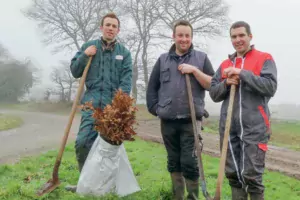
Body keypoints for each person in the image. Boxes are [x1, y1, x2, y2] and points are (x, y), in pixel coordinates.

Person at [146, 20, 215, 200]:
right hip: (168, 121)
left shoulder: (201, 58)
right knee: (173, 161)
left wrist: (194, 71)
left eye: (187, 36)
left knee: (190, 162)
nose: (184, 39)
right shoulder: (162, 60)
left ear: (191, 37)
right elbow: (152, 88)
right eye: (180, 35)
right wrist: (157, 109)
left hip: (191, 120)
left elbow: (213, 85)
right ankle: (178, 196)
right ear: (174, 36)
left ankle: (192, 197)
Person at [209, 21, 277, 200]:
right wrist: (226, 83)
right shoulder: (225, 64)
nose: (238, 40)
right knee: (234, 175)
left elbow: (270, 87)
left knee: (252, 176)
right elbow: (214, 94)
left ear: (250, 37)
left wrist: (242, 74)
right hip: (229, 128)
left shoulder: (264, 58)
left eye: (241, 35)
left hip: (255, 128)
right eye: (234, 36)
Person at [65, 12, 132, 192]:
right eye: (107, 25)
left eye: (114, 26)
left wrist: (120, 107)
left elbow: (126, 81)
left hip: (112, 109)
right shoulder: (89, 46)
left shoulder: (124, 54)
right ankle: (84, 184)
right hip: (91, 105)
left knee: (109, 150)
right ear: (101, 27)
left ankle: (106, 186)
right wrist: (85, 55)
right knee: (82, 143)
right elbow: (75, 71)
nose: (110, 28)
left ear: (118, 30)